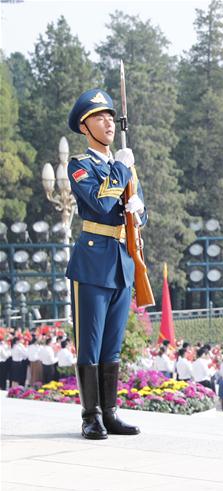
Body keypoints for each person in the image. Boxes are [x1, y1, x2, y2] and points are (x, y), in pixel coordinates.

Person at [66, 88, 145, 440]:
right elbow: (99, 204)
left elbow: (139, 209)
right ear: (85, 128)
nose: (109, 123)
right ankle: (91, 416)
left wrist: (139, 211)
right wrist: (121, 170)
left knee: (112, 344)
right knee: (91, 344)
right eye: (99, 118)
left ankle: (110, 413)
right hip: (93, 262)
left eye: (111, 117)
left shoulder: (125, 166)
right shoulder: (80, 166)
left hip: (122, 261)